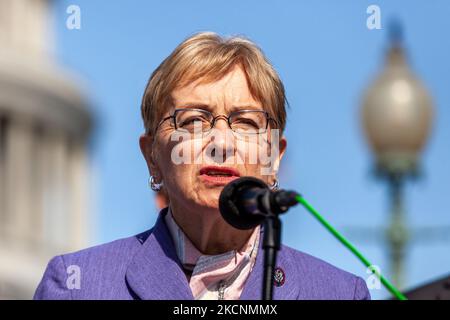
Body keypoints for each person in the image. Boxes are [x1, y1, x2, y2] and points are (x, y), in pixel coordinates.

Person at [34, 32, 370, 300]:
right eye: (194, 121)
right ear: (152, 156)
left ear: (275, 158)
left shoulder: (341, 293)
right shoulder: (77, 286)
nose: (221, 144)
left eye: (246, 122)